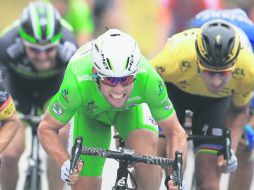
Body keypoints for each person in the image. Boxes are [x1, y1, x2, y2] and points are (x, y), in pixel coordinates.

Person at [37, 28, 187, 190]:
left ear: (135, 74)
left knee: (147, 164)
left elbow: (176, 132)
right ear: (95, 74)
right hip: (91, 117)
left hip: (130, 111)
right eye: (109, 80)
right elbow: (46, 128)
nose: (118, 89)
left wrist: (176, 178)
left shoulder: (149, 78)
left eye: (127, 79)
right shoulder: (77, 81)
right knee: (84, 185)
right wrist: (65, 162)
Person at [151, 19, 254, 190]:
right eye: (208, 71)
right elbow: (141, 84)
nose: (215, 81)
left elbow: (239, 110)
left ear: (235, 66)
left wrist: (231, 148)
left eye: (224, 73)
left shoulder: (248, 68)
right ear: (197, 61)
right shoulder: (176, 56)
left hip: (215, 104)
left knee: (209, 183)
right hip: (174, 93)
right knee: (158, 165)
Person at [0, 1, 77, 190]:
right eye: (34, 49)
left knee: (60, 138)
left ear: (58, 41)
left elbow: (77, 91)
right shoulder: (7, 44)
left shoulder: (69, 45)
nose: (42, 57)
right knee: (10, 154)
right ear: (23, 41)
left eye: (49, 49)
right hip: (17, 89)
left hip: (53, 89)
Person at [188, 8, 254, 190]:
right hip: (198, 29)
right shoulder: (194, 35)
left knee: (245, 143)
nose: (217, 77)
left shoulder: (249, 64)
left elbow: (243, 108)